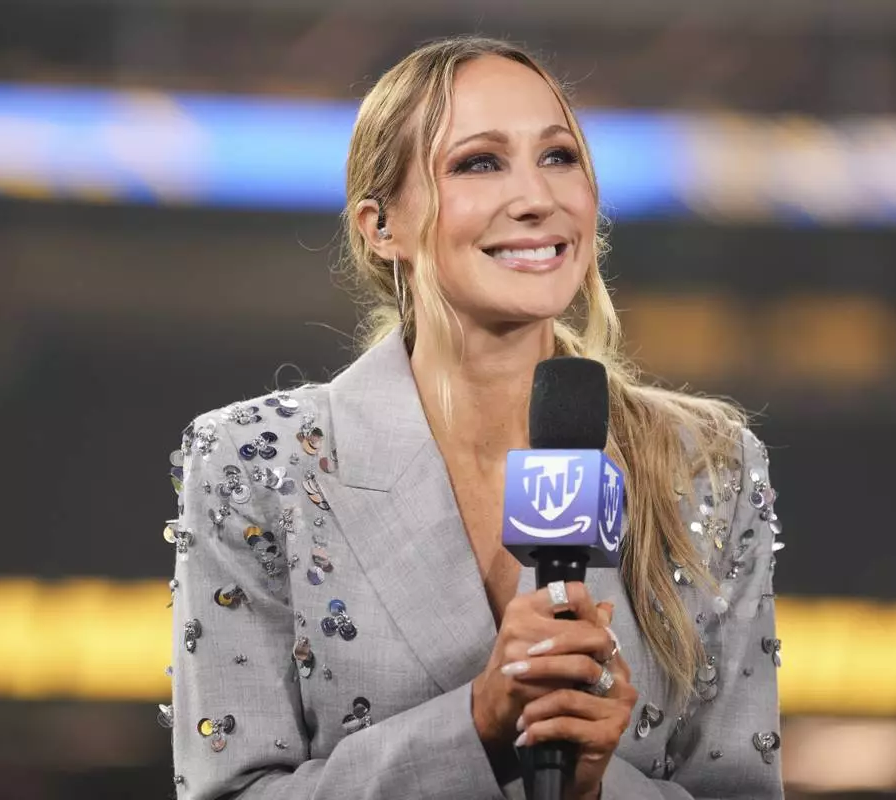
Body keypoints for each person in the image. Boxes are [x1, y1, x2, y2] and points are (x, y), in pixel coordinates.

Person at [164, 35, 785, 800]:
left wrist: (595, 791)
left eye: (558, 157)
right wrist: (478, 724)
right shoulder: (259, 464)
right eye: (479, 163)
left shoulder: (707, 467)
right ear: (380, 226)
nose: (536, 197)